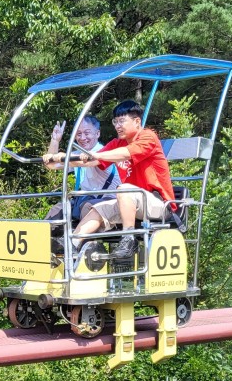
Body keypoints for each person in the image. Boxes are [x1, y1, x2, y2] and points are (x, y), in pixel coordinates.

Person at [42, 99, 175, 262]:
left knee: (124, 188)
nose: (117, 126)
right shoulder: (116, 143)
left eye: (122, 121)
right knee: (99, 209)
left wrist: (94, 155)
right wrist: (62, 157)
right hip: (131, 202)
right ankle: (71, 245)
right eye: (115, 121)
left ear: (136, 121)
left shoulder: (148, 137)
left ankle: (128, 239)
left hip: (158, 203)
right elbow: (91, 161)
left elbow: (125, 153)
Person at [43, 114, 119, 223]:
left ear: (97, 133)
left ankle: (84, 239)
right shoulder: (77, 154)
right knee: (58, 210)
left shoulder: (103, 153)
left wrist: (63, 157)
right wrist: (55, 141)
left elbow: (87, 162)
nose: (83, 138)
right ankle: (45, 236)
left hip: (109, 200)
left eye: (87, 133)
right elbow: (52, 165)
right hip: (85, 199)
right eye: (79, 134)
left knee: (87, 208)